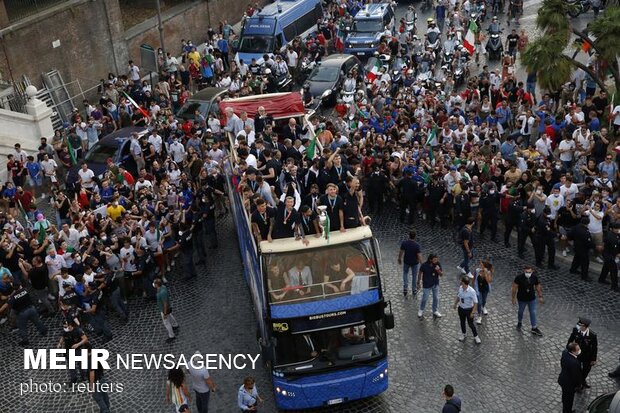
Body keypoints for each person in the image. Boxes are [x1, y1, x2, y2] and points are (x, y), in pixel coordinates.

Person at [0, 281, 48, 345]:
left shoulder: (13, 297)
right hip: (31, 309)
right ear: (20, 285)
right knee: (37, 321)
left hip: (22, 313)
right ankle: (43, 331)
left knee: (22, 327)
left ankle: (25, 340)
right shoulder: (25, 290)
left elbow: (6, 305)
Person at [566, 317, 598, 390]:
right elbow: (570, 340)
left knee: (586, 370)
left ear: (584, 326)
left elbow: (594, 348)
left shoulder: (592, 335)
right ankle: (578, 384)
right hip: (577, 354)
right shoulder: (576, 330)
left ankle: (582, 380)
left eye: (580, 325)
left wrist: (593, 359)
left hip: (587, 356)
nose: (578, 326)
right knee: (577, 369)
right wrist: (568, 349)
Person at [511, 265, 544, 336]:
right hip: (522, 299)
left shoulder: (534, 277)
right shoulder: (519, 277)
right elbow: (514, 288)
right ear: (524, 271)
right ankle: (519, 322)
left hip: (531, 298)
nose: (528, 273)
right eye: (526, 272)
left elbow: (537, 286)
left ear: (532, 271)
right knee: (520, 311)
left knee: (533, 312)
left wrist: (540, 296)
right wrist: (513, 298)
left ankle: (534, 328)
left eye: (529, 272)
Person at [453, 276, 481, 344]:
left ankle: (476, 336)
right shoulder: (460, 288)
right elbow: (458, 296)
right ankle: (463, 334)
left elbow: (476, 303)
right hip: (461, 309)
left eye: (461, 282)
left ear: (465, 283)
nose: (460, 283)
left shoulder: (472, 291)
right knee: (462, 322)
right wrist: (455, 304)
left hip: (469, 310)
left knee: (470, 324)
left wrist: (473, 312)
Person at [558, 342, 582, 413]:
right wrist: (578, 385)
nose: (579, 350)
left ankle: (566, 407)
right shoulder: (574, 363)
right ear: (572, 351)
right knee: (569, 400)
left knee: (565, 395)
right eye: (578, 349)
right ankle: (567, 411)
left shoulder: (565, 353)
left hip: (563, 379)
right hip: (569, 385)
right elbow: (575, 377)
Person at [417, 253, 443, 318]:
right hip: (426, 285)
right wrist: (418, 282)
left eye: (436, 259)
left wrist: (438, 270)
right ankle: (421, 310)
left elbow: (441, 274)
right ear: (430, 259)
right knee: (425, 298)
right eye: (434, 259)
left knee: (436, 298)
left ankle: (435, 311)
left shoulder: (437, 264)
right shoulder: (424, 265)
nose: (436, 261)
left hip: (435, 284)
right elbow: (420, 273)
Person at [398, 230, 423, 297]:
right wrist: (422, 263)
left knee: (405, 273)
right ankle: (414, 290)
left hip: (406, 261)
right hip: (415, 263)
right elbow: (419, 255)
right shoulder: (417, 245)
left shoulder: (404, 243)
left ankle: (405, 287)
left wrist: (399, 259)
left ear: (409, 236)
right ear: (415, 237)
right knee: (414, 276)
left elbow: (401, 252)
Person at [154, 277, 179, 342]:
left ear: (157, 285)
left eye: (154, 283)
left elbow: (165, 304)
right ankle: (175, 324)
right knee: (170, 316)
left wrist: (165, 313)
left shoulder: (161, 293)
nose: (153, 284)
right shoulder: (163, 287)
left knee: (166, 323)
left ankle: (171, 335)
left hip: (164, 309)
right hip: (168, 308)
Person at [599, 222, 619, 291]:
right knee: (614, 271)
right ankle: (614, 286)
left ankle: (601, 279)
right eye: (616, 229)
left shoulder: (611, 234)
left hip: (607, 254)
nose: (617, 230)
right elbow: (614, 249)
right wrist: (617, 254)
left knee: (606, 267)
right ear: (611, 229)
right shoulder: (611, 237)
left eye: (618, 228)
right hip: (610, 255)